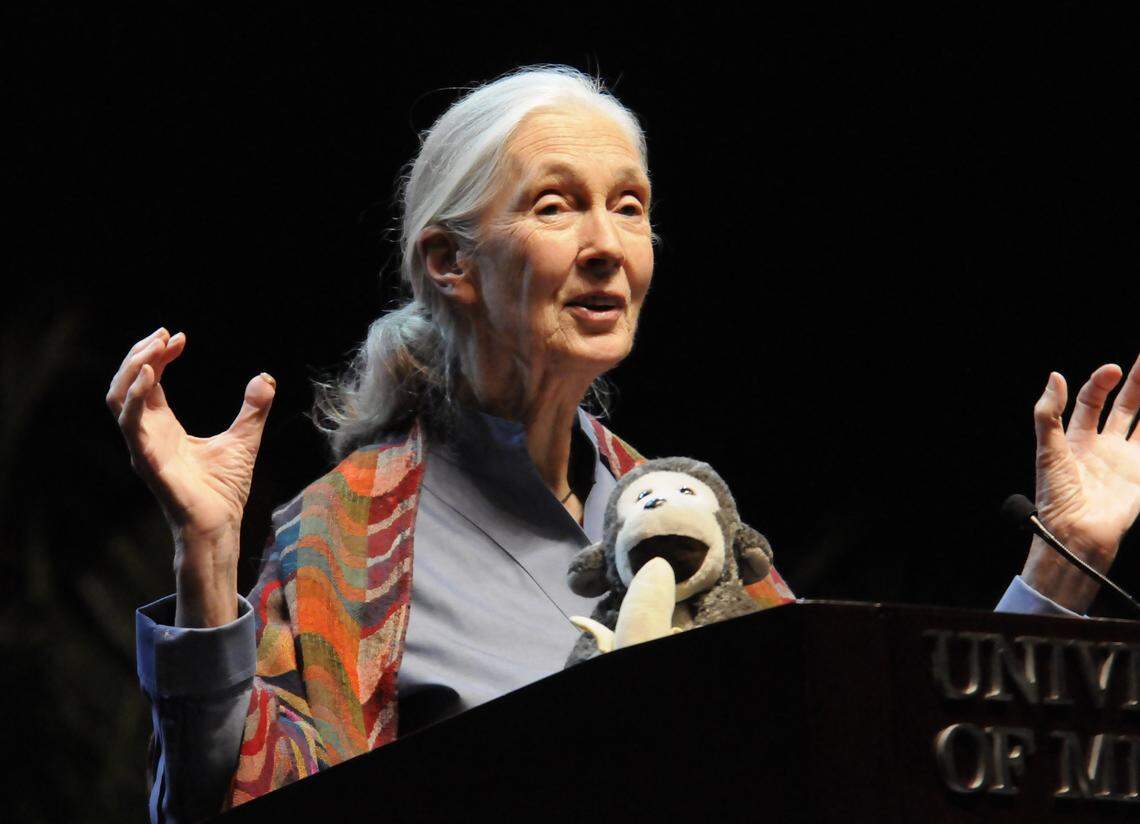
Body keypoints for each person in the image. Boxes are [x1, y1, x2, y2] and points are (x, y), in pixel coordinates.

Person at [106, 66, 1140, 823]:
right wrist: (205, 555)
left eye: (630, 207)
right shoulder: (339, 539)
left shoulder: (686, 513)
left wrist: (1062, 566)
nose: (607, 244)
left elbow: (878, 757)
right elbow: (223, 804)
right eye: (556, 205)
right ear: (448, 262)